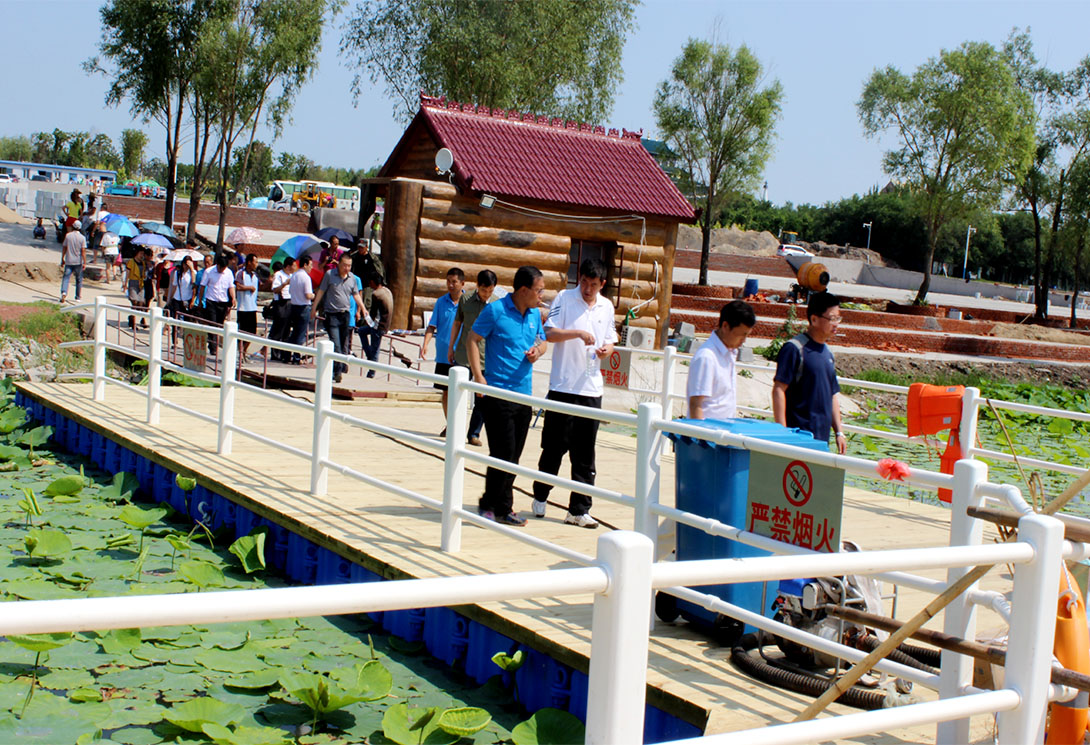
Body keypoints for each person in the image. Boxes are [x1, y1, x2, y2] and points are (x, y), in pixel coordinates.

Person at [531, 259, 618, 529]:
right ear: (578, 278)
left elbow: (611, 338)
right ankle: (541, 495)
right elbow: (550, 332)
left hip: (591, 388)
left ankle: (579, 509)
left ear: (602, 284)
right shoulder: (564, 298)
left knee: (585, 453)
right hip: (563, 386)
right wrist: (578, 333)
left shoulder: (607, 305)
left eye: (593, 285)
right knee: (554, 447)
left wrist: (608, 349)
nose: (588, 289)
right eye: (584, 283)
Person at [467, 265, 548, 526]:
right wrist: (479, 377)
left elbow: (543, 341)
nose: (541, 296)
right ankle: (502, 507)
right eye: (539, 290)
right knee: (504, 451)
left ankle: (489, 503)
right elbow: (472, 338)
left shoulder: (535, 313)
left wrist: (539, 351)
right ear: (523, 290)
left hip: (524, 395)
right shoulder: (496, 310)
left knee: (513, 456)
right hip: (498, 393)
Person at [772, 291, 846, 454]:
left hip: (821, 441)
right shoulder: (795, 348)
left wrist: (839, 432)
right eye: (832, 318)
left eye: (838, 318)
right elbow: (779, 389)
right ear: (814, 319)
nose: (836, 324)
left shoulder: (828, 353)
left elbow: (832, 394)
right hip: (797, 438)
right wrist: (782, 432)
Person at [448, 269, 497, 446]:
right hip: (463, 354)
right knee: (458, 396)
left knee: (482, 399)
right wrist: (450, 347)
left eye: (491, 291)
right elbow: (457, 323)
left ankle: (473, 433)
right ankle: (454, 429)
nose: (487, 295)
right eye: (484, 291)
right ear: (477, 286)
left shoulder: (497, 305)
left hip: (485, 358)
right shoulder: (465, 299)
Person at [687, 300, 757, 420]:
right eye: (742, 334)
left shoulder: (729, 353)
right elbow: (695, 404)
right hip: (708, 433)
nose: (744, 340)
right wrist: (700, 438)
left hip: (724, 432)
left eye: (747, 335)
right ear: (725, 326)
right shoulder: (707, 357)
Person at [421, 267, 464, 433]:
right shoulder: (441, 302)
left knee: (460, 393)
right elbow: (432, 326)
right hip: (443, 355)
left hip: (461, 354)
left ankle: (459, 425)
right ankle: (451, 424)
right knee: (445, 393)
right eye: (448, 281)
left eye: (454, 282)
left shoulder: (467, 302)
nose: (451, 285)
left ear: (462, 283)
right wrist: (425, 344)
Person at [312, 254, 366, 383]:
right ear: (339, 264)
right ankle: (337, 371)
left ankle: (336, 370)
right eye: (345, 265)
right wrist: (314, 308)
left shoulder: (352, 278)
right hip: (332, 314)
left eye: (349, 266)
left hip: (345, 315)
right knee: (336, 344)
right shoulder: (330, 275)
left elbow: (356, 294)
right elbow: (321, 291)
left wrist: (363, 308)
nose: (347, 268)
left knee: (343, 344)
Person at [198, 253, 236, 355]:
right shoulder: (209, 271)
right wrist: (200, 300)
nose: (222, 270)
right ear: (217, 265)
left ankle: (212, 343)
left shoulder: (228, 273)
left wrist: (233, 298)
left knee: (219, 324)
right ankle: (213, 347)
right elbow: (202, 286)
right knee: (213, 323)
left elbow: (231, 287)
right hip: (211, 301)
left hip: (223, 302)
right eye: (220, 268)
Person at [357, 273, 392, 378]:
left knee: (375, 349)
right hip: (385, 324)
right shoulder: (387, 291)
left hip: (378, 325)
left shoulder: (376, 294)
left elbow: (373, 313)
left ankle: (371, 371)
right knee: (361, 331)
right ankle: (370, 358)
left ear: (373, 282)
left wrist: (366, 318)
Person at [288, 255, 315, 364]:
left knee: (294, 333)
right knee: (301, 334)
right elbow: (308, 295)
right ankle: (297, 357)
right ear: (305, 264)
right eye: (310, 265)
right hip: (304, 307)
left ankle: (287, 354)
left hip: (294, 306)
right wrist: (314, 295)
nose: (311, 267)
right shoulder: (306, 277)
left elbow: (290, 291)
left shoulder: (294, 275)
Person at [165, 254, 197, 343]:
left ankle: (186, 341)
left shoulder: (193, 273)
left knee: (187, 322)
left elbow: (194, 284)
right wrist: (169, 298)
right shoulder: (177, 273)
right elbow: (174, 286)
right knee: (175, 321)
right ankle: (174, 341)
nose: (186, 266)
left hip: (188, 299)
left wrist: (191, 269)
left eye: (188, 264)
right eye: (185, 264)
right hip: (177, 298)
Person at [269, 257, 295, 362]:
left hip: (290, 302)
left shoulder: (292, 276)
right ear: (288, 266)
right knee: (278, 329)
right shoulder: (279, 275)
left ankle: (285, 354)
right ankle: (275, 354)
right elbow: (275, 290)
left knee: (287, 330)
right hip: (281, 303)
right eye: (293, 266)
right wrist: (285, 284)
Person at [235, 253, 261, 360]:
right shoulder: (241, 273)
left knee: (252, 332)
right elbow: (237, 286)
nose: (256, 264)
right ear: (249, 262)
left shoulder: (255, 275)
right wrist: (248, 288)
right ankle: (240, 353)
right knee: (242, 331)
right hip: (243, 308)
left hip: (252, 307)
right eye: (255, 262)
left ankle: (244, 351)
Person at [59, 222, 86, 304]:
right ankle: (78, 296)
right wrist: (84, 262)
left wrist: (62, 258)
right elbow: (83, 251)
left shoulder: (68, 236)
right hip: (78, 262)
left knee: (66, 278)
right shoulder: (82, 238)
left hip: (69, 261)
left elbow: (64, 247)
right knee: (78, 279)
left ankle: (64, 292)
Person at [125, 247, 149, 329]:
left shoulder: (143, 263)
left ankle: (132, 317)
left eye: (143, 254)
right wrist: (125, 284)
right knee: (134, 302)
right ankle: (133, 322)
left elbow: (144, 273)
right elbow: (127, 273)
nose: (142, 255)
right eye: (141, 253)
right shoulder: (131, 262)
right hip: (133, 282)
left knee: (141, 303)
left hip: (141, 283)